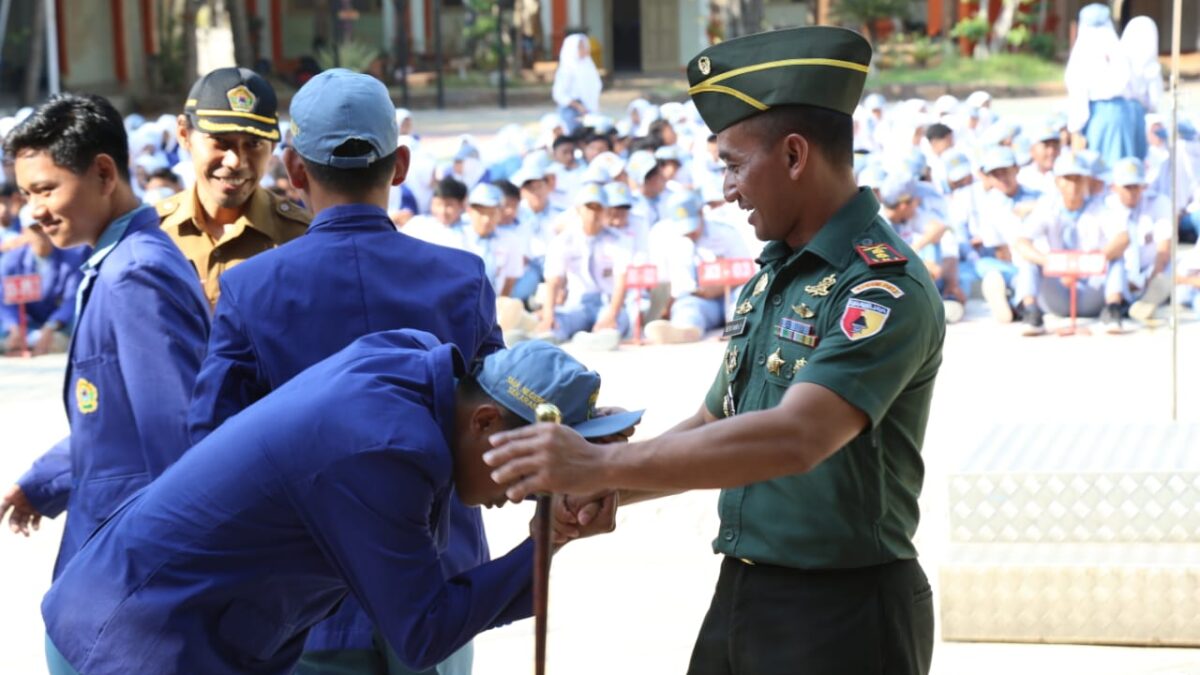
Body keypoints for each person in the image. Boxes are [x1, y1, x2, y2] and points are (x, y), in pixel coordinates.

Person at [485, 26, 942, 675]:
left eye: (732, 163)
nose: (727, 188)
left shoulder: (879, 287)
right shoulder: (778, 272)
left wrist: (592, 464)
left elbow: (796, 437)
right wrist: (607, 481)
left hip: (844, 612)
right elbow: (715, 422)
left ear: (793, 155)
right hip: (745, 592)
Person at [42, 330, 636, 675]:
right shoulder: (385, 448)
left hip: (142, 616)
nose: (531, 487)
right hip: (134, 644)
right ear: (485, 421)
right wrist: (549, 539)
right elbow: (422, 632)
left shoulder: (411, 369)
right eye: (536, 462)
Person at [186, 68, 505, 675]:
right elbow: (495, 436)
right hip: (439, 590)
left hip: (303, 600)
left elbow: (209, 448)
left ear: (295, 170)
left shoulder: (252, 287)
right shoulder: (461, 279)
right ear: (401, 164)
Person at [0, 94, 209, 578]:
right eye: (27, 194)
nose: (34, 212)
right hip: (110, 552)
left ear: (104, 174)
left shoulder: (135, 274)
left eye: (46, 190)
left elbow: (177, 445)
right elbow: (114, 427)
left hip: (130, 568)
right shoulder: (116, 263)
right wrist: (44, 481)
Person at [157, 67, 311, 309]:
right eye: (221, 142)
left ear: (272, 148)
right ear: (184, 134)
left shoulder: (300, 239)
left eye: (254, 144)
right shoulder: (156, 233)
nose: (236, 161)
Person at [1011, 151, 1124, 334]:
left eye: (1078, 178)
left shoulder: (1099, 207)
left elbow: (1122, 237)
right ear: (1057, 181)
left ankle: (1112, 311)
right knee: (1028, 261)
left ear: (1086, 181)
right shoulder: (1047, 207)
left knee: (1117, 259)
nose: (1073, 184)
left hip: (1089, 286)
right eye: (1067, 178)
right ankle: (1031, 314)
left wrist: (1099, 258)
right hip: (1058, 287)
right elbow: (1022, 241)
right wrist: (1046, 261)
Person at [644, 190, 750, 344]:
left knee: (743, 300)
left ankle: (737, 332)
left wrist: (720, 287)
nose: (690, 233)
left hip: (729, 294)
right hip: (700, 301)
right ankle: (686, 331)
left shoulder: (725, 233)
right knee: (687, 306)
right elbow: (673, 285)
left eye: (692, 226)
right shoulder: (670, 239)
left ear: (701, 213)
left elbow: (746, 271)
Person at [539, 182, 633, 350]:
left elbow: (621, 282)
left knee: (617, 322)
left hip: (608, 303)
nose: (593, 214)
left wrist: (612, 314)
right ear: (578, 210)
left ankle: (597, 338)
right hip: (578, 303)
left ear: (606, 211)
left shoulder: (619, 241)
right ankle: (550, 337)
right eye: (589, 207)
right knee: (558, 322)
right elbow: (553, 281)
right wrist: (548, 315)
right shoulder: (563, 241)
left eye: (599, 208)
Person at [1065, 3, 1145, 166]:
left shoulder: (1082, 53)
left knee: (1101, 171)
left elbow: (1078, 96)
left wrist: (1075, 130)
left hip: (1099, 117)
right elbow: (1137, 89)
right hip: (1126, 114)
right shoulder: (1119, 50)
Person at [0, 216, 83, 355]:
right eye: (35, 229)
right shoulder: (11, 260)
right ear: (25, 232)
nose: (42, 233)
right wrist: (14, 327)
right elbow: (4, 300)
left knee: (74, 329)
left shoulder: (71, 259)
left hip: (57, 324)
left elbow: (71, 299)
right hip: (23, 323)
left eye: (46, 226)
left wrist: (50, 327)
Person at [1103, 157, 1173, 322]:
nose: (1133, 191)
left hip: (1150, 272)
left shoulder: (1159, 202)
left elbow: (1163, 249)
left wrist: (1153, 277)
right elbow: (1106, 253)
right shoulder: (1105, 207)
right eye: (1127, 187)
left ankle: (1147, 302)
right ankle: (1119, 303)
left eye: (1136, 186)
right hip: (1119, 273)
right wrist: (1127, 282)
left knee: (1168, 270)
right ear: (1114, 187)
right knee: (1113, 270)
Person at [552, 33, 602, 135]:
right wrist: (578, 106)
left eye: (585, 46)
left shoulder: (588, 66)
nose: (585, 49)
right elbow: (559, 94)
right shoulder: (566, 68)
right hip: (572, 110)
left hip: (588, 109)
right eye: (581, 46)